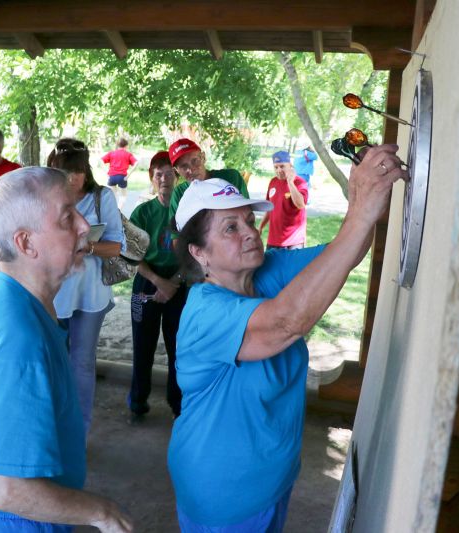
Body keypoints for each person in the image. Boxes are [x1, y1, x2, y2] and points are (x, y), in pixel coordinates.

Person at [167, 144, 406, 531]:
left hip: (272, 479)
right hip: (224, 494)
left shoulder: (265, 269)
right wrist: (362, 211)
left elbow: (344, 253)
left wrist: (363, 195)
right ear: (199, 253)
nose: (250, 233)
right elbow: (285, 323)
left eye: (249, 221)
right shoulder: (204, 313)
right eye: (231, 228)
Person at [0, 166, 134, 533]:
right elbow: (5, 490)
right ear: (25, 243)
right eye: (67, 217)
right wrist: (101, 512)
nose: (84, 226)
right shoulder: (17, 339)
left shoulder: (0, 293)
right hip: (16, 523)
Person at [47, 138, 125, 435]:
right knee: (54, 362)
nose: (72, 178)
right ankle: (54, 426)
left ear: (86, 169)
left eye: (77, 170)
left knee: (81, 363)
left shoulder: (101, 197)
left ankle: (78, 433)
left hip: (90, 296)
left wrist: (88, 247)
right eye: (65, 171)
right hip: (53, 295)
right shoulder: (46, 197)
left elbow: (116, 246)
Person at [126, 151, 186, 423]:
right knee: (143, 345)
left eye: (169, 173)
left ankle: (178, 404)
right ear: (151, 178)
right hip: (146, 283)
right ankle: (137, 402)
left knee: (178, 348)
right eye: (158, 174)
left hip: (179, 282)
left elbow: (194, 254)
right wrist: (159, 282)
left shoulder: (187, 211)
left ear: (177, 176)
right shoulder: (143, 212)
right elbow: (131, 255)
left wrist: (174, 282)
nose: (164, 179)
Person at [166, 138, 249, 230]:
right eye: (183, 166)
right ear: (176, 171)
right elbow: (176, 235)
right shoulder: (179, 193)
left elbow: (247, 213)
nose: (191, 170)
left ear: (203, 157)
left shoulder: (231, 178)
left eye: (195, 161)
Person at [259, 150, 309, 250]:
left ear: (290, 165)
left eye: (282, 166)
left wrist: (290, 183)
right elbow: (270, 208)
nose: (279, 170)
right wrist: (260, 227)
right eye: (276, 167)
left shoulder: (300, 183)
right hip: (273, 240)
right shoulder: (273, 182)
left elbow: (300, 204)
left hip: (293, 241)